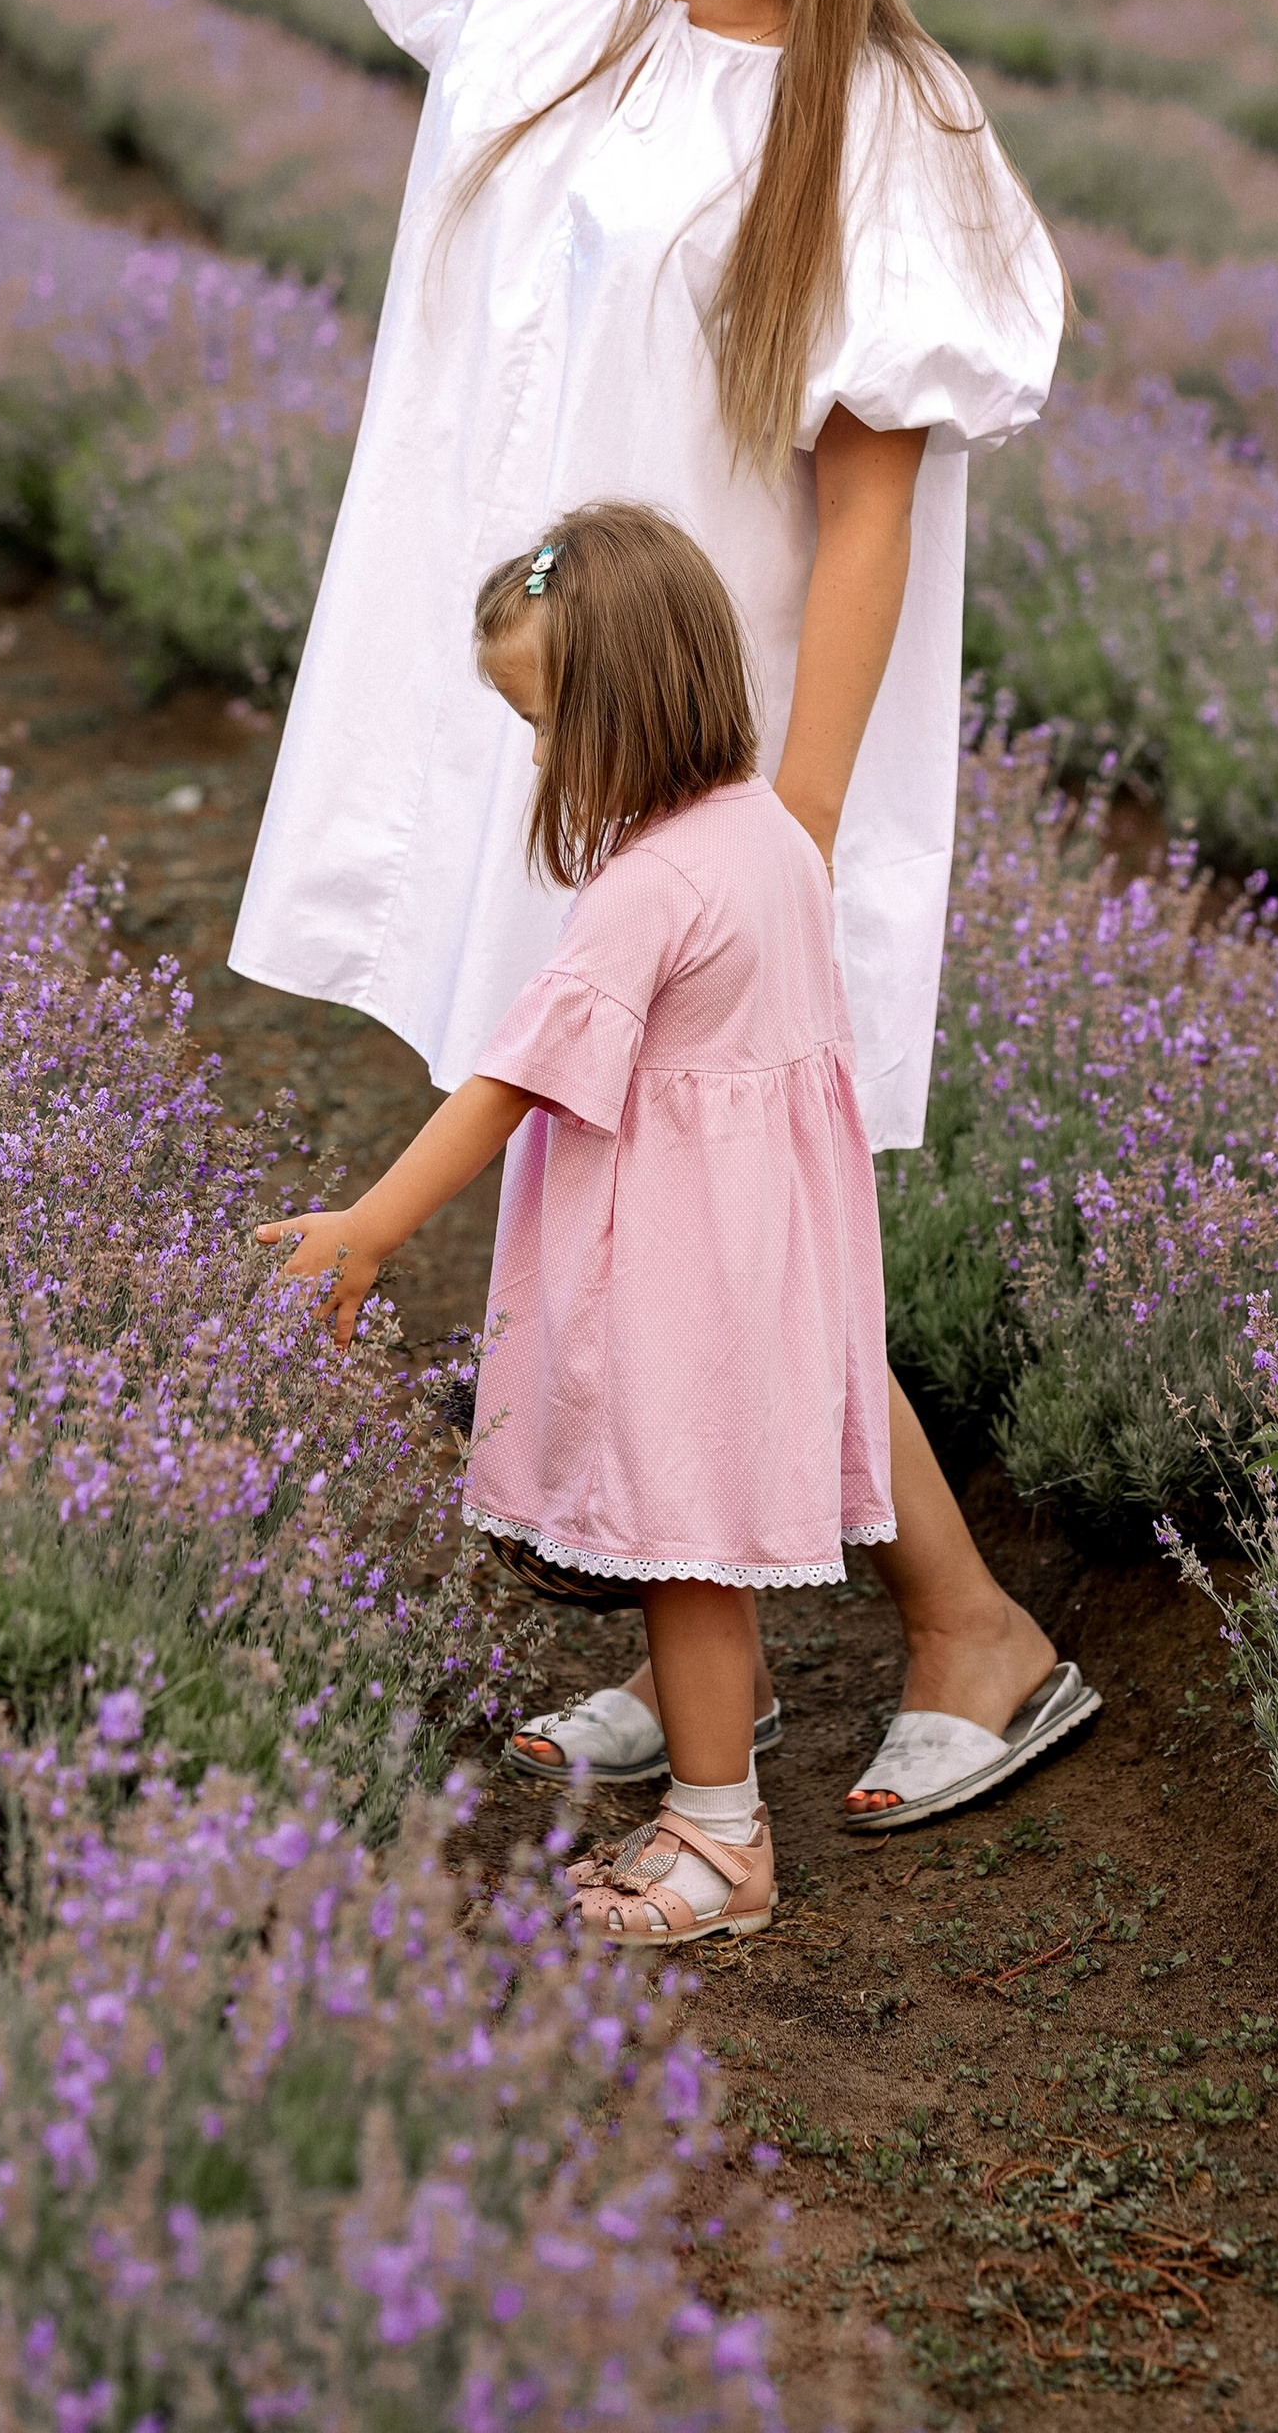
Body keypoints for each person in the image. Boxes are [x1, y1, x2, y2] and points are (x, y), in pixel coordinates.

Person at [198, 0, 1098, 1831]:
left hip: (712, 774)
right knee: (597, 1172)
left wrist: (779, 838)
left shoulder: (881, 118)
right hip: (531, 709)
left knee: (730, 1210)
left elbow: (866, 502)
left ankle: (970, 1626)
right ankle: (676, 1622)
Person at [264, 502, 914, 1944]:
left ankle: (721, 1844)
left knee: (681, 1551)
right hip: (763, 1260)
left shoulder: (652, 887)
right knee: (700, 1547)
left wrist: (371, 1226)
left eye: (553, 726)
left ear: (633, 705)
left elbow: (510, 1078)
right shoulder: (766, 842)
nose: (546, 761)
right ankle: (716, 1759)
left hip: (680, 1270)